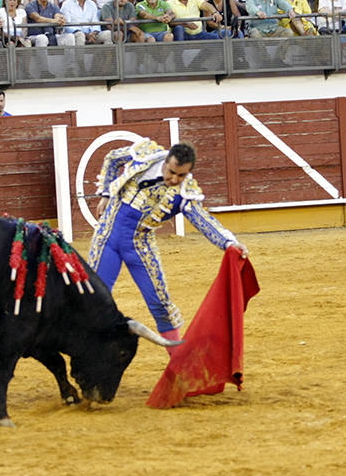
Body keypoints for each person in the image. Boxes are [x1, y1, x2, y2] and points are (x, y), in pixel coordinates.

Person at [88, 139, 248, 340]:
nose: (174, 179)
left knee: (160, 304)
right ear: (165, 162)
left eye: (181, 175)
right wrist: (105, 194)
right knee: (93, 298)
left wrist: (229, 243)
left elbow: (203, 221)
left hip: (139, 245)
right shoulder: (147, 155)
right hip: (107, 236)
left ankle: (177, 356)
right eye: (171, 172)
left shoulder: (185, 192)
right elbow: (112, 158)